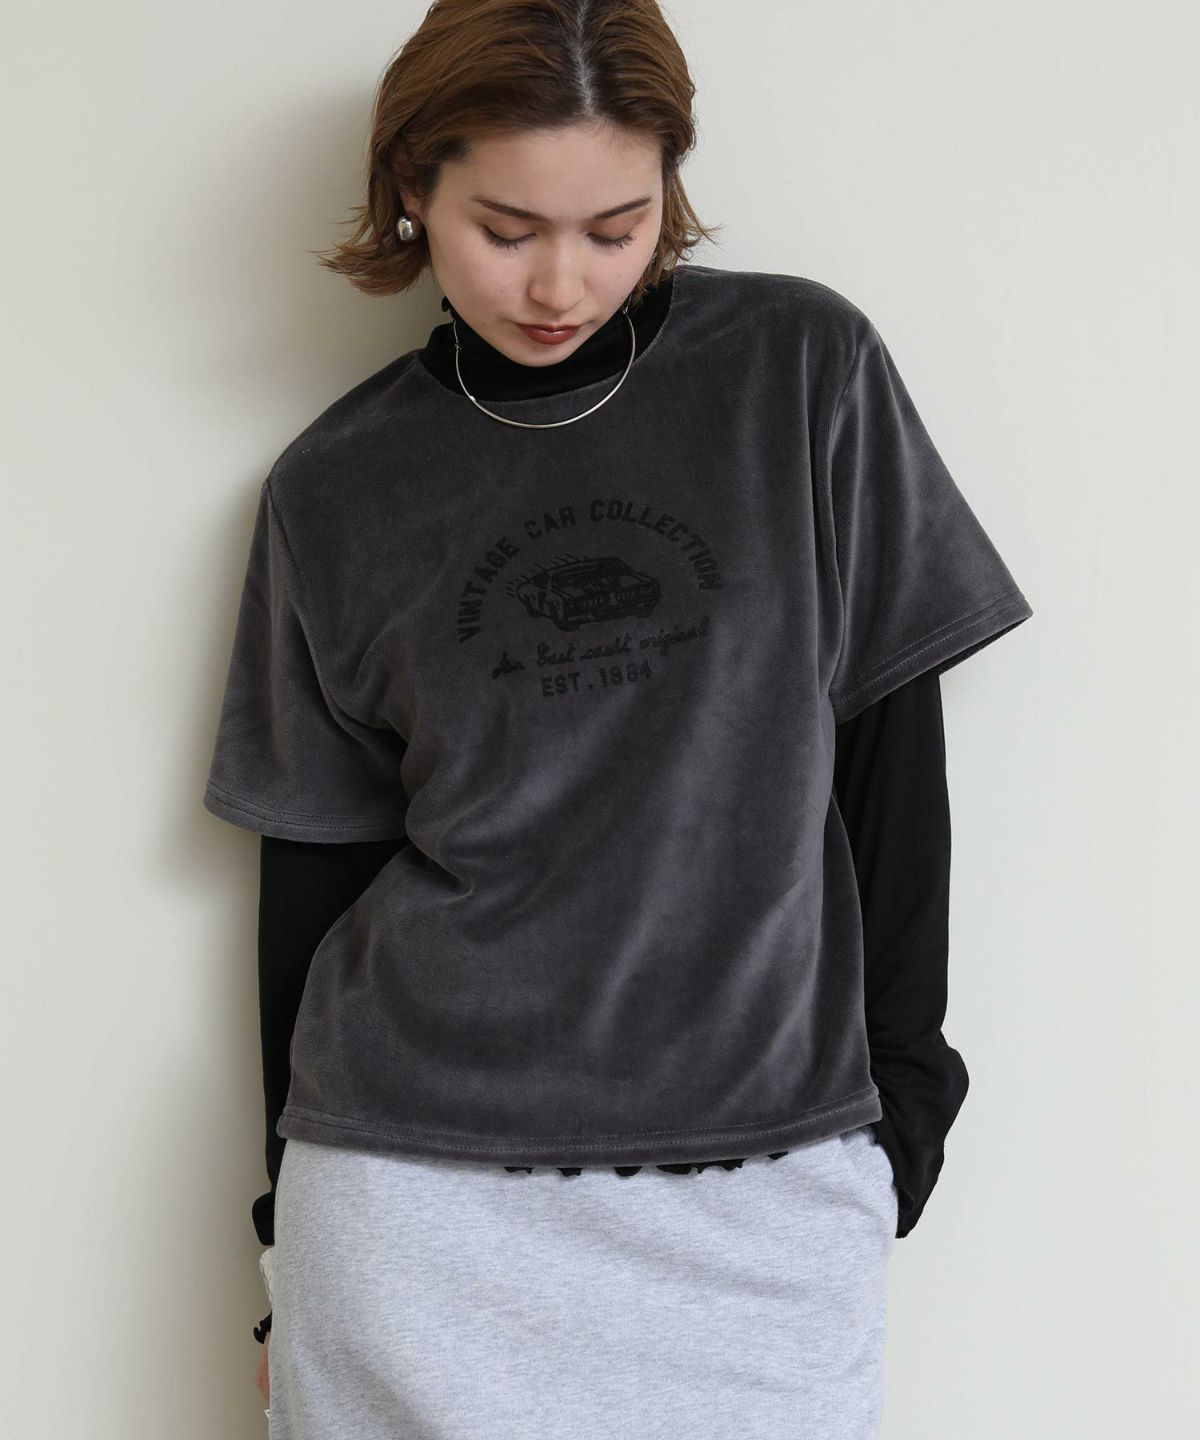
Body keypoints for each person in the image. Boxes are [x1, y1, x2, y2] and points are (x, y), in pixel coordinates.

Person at [202, 3, 1033, 1436]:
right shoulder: (334, 485)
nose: (559, 284)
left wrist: (907, 1104)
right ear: (412, 190)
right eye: (505, 229)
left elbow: (891, 756)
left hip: (759, 1184)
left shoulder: (801, 370)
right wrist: (291, 1236)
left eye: (616, 226)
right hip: (412, 1203)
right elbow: (315, 874)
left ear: (669, 193)